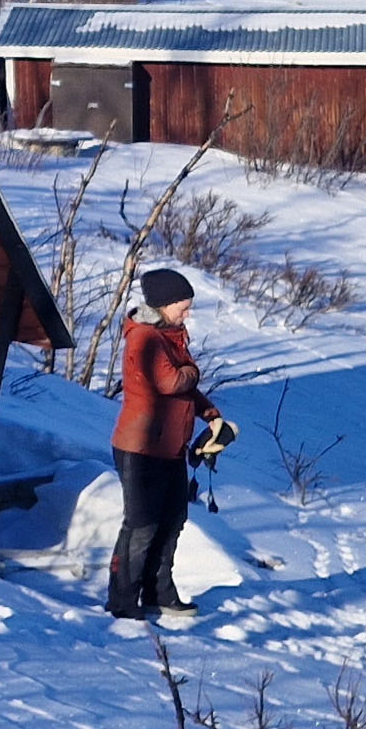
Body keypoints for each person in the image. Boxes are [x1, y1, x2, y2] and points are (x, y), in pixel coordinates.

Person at [107, 266, 222, 622]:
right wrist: (194, 371)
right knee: (141, 525)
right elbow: (172, 382)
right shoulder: (145, 338)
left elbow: (184, 385)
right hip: (140, 448)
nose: (186, 314)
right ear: (162, 304)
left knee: (172, 519)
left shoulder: (169, 335)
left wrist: (211, 415)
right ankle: (123, 600)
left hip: (169, 448)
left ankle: (160, 593)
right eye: (182, 307)